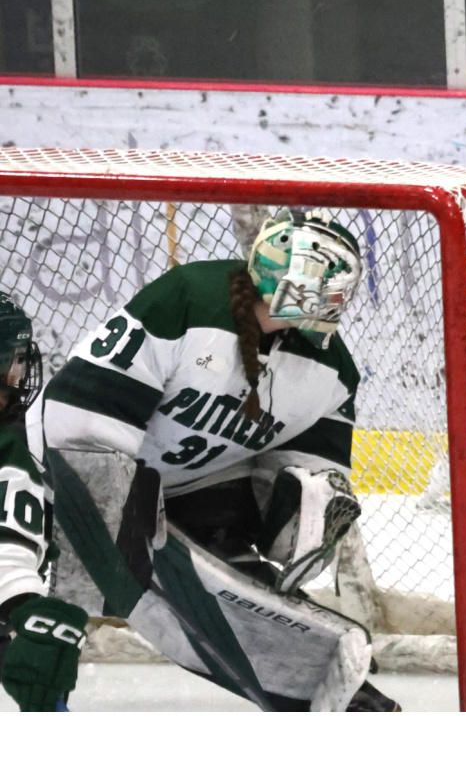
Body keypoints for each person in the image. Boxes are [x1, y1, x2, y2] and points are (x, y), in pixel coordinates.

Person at [39, 210, 400, 712]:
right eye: (331, 288)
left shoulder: (332, 371)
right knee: (51, 595)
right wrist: (120, 547)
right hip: (67, 470)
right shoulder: (187, 299)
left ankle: (321, 679)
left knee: (241, 592)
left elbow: (306, 477)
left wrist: (305, 515)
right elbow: (76, 424)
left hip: (189, 485)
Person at [0, 292, 88, 712]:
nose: (21, 369)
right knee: (43, 663)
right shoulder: (10, 445)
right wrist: (24, 608)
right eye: (15, 357)